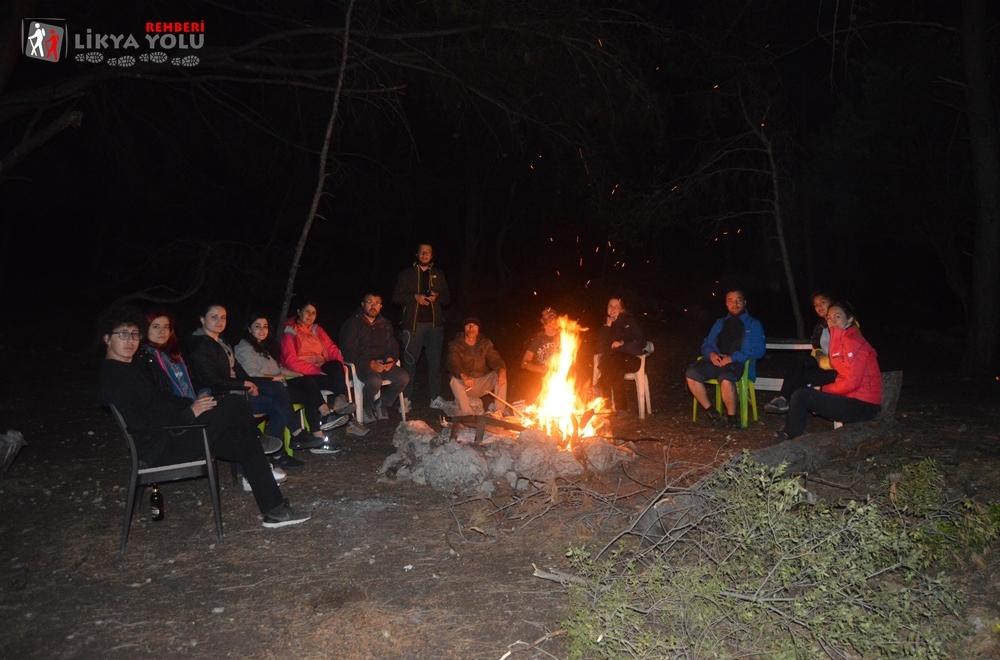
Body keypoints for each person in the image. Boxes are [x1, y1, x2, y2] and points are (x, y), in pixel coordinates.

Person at [96, 305, 310, 528]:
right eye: (122, 335)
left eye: (134, 334)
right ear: (107, 339)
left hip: (175, 433)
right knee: (236, 403)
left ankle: (275, 510)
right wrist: (190, 413)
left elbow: (162, 400)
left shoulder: (130, 369)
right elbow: (143, 422)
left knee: (244, 444)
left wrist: (195, 404)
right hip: (164, 446)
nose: (130, 340)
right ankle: (258, 439)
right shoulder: (114, 377)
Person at [140, 310, 289, 488]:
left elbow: (194, 381)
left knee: (240, 406)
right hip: (178, 423)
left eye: (166, 327)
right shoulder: (147, 360)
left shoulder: (173, 355)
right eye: (156, 327)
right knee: (235, 406)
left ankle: (255, 470)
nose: (162, 331)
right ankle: (256, 458)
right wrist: (191, 407)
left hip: (193, 407)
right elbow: (159, 397)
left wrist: (202, 392)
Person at [185, 304, 316, 463]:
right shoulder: (200, 344)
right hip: (223, 397)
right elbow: (211, 380)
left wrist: (249, 383)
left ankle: (277, 454)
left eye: (223, 317)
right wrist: (245, 384)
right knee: (276, 392)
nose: (219, 321)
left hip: (238, 390)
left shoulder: (221, 341)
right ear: (202, 320)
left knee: (278, 402)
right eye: (214, 317)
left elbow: (238, 368)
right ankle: (295, 433)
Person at [235, 314, 348, 454]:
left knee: (308, 382)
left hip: (278, 385)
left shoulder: (263, 346)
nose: (262, 330)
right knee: (308, 394)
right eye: (257, 326)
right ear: (249, 329)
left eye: (265, 326)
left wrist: (298, 374)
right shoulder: (244, 348)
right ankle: (317, 434)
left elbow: (279, 369)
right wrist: (275, 378)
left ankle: (324, 420)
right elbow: (251, 374)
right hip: (265, 389)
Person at [776, 302, 882, 440]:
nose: (832, 321)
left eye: (837, 317)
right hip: (853, 398)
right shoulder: (840, 339)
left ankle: (790, 438)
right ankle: (789, 433)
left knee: (801, 395)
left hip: (863, 406)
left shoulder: (852, 341)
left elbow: (852, 382)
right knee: (804, 388)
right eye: (829, 318)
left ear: (849, 319)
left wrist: (823, 390)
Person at [279, 301, 364, 437]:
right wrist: (316, 371)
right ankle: (350, 422)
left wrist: (340, 366)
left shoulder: (317, 330)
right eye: (307, 311)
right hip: (304, 373)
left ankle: (340, 402)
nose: (310, 315)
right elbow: (291, 361)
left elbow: (332, 349)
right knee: (336, 384)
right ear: (299, 312)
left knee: (336, 365)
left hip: (322, 369)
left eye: (313, 313)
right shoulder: (290, 332)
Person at [685, 289, 766, 429]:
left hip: (738, 362)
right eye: (730, 301)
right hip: (717, 360)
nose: (734, 304)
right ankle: (712, 412)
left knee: (726, 377)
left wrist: (733, 357)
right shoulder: (720, 323)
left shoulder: (753, 324)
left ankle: (732, 418)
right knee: (691, 374)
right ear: (726, 304)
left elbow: (759, 350)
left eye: (738, 300)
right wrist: (711, 354)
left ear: (744, 302)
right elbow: (707, 343)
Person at [393, 243, 451, 410]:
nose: (425, 255)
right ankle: (406, 399)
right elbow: (396, 297)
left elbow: (447, 299)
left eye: (428, 252)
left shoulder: (438, 274)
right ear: (417, 254)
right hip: (413, 326)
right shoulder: (407, 274)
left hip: (435, 326)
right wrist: (414, 297)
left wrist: (438, 295)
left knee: (434, 364)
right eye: (422, 252)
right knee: (410, 363)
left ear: (432, 256)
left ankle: (435, 397)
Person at [764, 291, 841, 414]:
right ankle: (782, 399)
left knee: (801, 378)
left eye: (822, 302)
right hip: (824, 365)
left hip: (839, 371)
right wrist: (819, 355)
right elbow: (816, 348)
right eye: (816, 305)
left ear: (831, 302)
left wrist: (823, 362)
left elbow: (845, 356)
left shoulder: (843, 323)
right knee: (800, 359)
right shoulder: (821, 325)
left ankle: (785, 401)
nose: (819, 307)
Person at [339, 293, 410, 424]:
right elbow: (348, 351)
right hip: (361, 365)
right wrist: (370, 364)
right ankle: (367, 407)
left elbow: (393, 346)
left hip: (382, 363)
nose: (373, 306)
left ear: (381, 306)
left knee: (403, 377)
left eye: (377, 303)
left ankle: (382, 403)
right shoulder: (353, 323)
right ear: (363, 304)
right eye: (370, 302)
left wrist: (391, 359)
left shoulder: (384, 324)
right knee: (374, 380)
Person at [447, 317, 510, 417]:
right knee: (454, 379)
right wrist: (463, 375)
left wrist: (502, 370)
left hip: (480, 383)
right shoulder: (455, 344)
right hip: (465, 384)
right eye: (468, 325)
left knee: (499, 375)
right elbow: (452, 362)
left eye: (474, 325)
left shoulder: (485, 344)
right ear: (464, 329)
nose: (471, 328)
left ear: (478, 329)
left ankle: (498, 412)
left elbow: (494, 358)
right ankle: (468, 415)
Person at [593, 298, 647, 414]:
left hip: (631, 360)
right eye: (610, 306)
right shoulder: (605, 326)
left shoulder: (630, 322)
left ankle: (601, 385)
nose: (612, 309)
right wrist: (607, 327)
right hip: (613, 363)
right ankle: (622, 409)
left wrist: (623, 344)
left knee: (617, 357)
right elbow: (599, 348)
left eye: (616, 306)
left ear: (622, 309)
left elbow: (642, 342)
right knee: (616, 368)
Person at [520, 307, 561, 404]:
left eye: (552, 312)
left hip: (562, 377)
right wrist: (539, 368)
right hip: (541, 380)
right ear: (542, 321)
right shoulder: (538, 340)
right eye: (546, 313)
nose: (550, 314)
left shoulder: (566, 336)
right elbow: (524, 363)